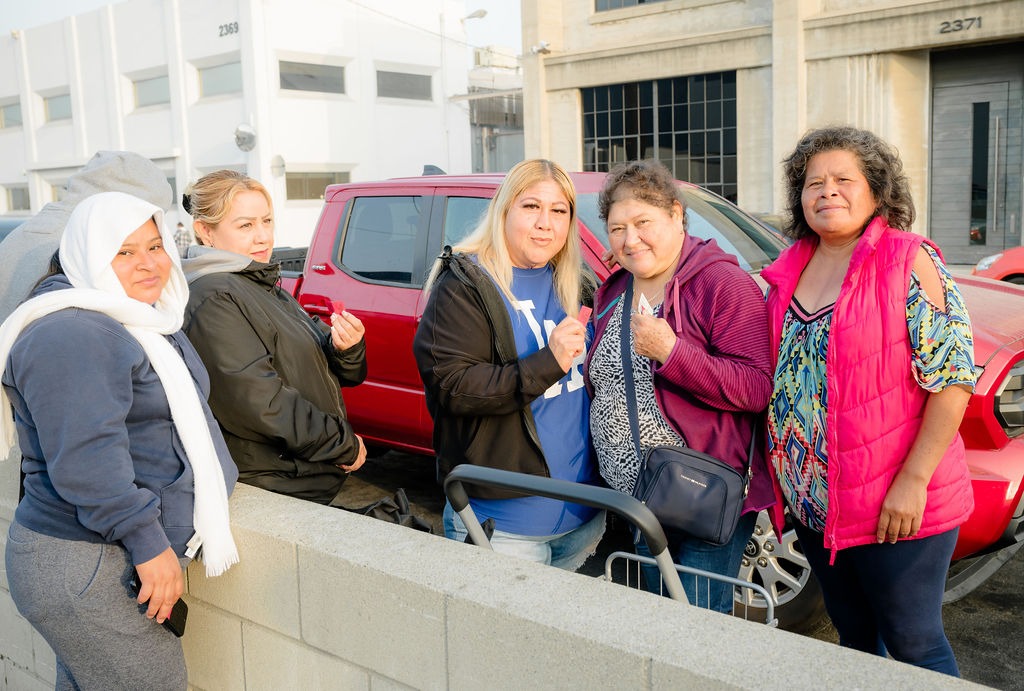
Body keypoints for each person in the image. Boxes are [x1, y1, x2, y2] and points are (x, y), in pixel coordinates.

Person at [0, 191, 239, 690]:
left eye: (155, 246)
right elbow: (87, 463)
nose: (149, 264)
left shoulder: (138, 319)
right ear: (88, 254)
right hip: (87, 559)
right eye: (125, 252)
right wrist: (149, 545)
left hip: (97, 554)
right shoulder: (74, 332)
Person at [763, 126, 975, 675]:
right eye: (814, 182)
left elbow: (952, 379)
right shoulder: (787, 272)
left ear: (877, 193)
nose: (827, 191)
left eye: (843, 180)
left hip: (895, 505)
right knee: (855, 639)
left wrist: (914, 481)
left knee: (915, 644)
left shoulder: (910, 260)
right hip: (815, 505)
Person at [583, 160, 774, 612]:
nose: (630, 240)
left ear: (676, 214)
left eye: (643, 223)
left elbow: (756, 387)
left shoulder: (722, 283)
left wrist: (672, 353)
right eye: (617, 229)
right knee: (658, 624)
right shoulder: (615, 290)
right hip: (637, 500)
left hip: (699, 497)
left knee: (698, 631)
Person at [413, 158, 605, 569]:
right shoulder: (466, 284)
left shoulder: (579, 283)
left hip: (583, 517)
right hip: (505, 526)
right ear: (504, 210)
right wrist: (547, 362)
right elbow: (453, 386)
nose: (545, 223)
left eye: (559, 211)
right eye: (531, 206)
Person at [181, 170, 368, 505]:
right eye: (245, 225)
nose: (263, 236)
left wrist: (345, 348)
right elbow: (259, 400)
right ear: (205, 231)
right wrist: (342, 443)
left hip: (301, 476)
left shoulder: (257, 282)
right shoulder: (214, 295)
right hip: (277, 482)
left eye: (266, 221)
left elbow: (322, 365)